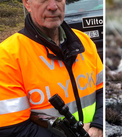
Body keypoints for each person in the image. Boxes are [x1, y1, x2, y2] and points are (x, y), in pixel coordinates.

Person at [0, 0, 103, 136]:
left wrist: (98, 127)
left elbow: (103, 92)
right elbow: (12, 130)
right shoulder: (7, 56)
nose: (53, 6)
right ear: (27, 3)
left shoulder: (85, 42)